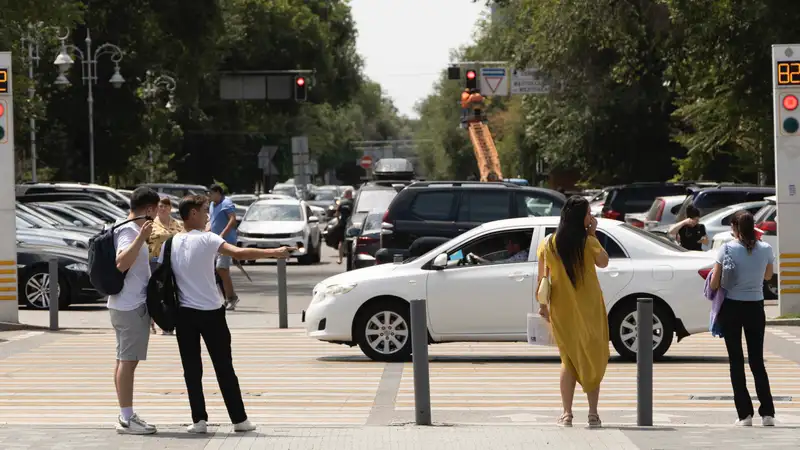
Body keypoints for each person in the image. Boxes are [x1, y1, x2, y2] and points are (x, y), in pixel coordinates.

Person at [162, 195, 294, 434]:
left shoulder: (170, 243)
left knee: (192, 369)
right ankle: (239, 420)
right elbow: (239, 253)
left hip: (183, 314)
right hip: (211, 313)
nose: (207, 215)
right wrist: (276, 251)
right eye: (204, 211)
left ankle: (198, 421)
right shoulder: (209, 239)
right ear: (192, 214)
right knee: (224, 367)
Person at [536, 196, 610, 428]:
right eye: (589, 213)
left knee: (568, 360)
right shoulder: (588, 242)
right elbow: (604, 262)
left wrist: (542, 307)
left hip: (561, 309)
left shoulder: (548, 243)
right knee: (592, 356)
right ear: (581, 218)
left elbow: (541, 278)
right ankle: (593, 414)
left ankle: (567, 414)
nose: (591, 217)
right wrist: (593, 233)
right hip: (589, 309)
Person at [709, 210, 775, 427]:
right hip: (755, 307)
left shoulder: (726, 249)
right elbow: (767, 276)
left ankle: (744, 415)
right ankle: (767, 413)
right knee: (757, 361)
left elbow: (715, 284)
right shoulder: (765, 248)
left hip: (732, 309)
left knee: (736, 361)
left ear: (736, 228)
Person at [109, 186, 161, 435]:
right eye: (155, 210)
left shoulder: (124, 226)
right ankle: (127, 418)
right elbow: (121, 263)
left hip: (127, 305)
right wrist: (141, 238)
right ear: (149, 209)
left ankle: (125, 414)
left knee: (124, 361)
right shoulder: (129, 231)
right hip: (130, 306)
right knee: (127, 362)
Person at [147, 196, 184, 334]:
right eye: (160, 206)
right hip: (155, 262)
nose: (162, 209)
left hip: (173, 261)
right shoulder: (151, 224)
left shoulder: (177, 224)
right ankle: (151, 323)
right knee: (154, 293)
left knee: (169, 293)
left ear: (170, 208)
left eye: (165, 206)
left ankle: (167, 323)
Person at [208, 184, 239, 310]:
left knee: (221, 268)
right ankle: (228, 297)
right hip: (215, 242)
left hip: (226, 241)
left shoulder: (226, 203)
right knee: (219, 271)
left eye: (211, 193)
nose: (209, 196)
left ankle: (231, 297)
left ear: (218, 193)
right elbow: (212, 220)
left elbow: (232, 220)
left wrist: (222, 234)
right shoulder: (212, 205)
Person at [335, 189, 354, 265]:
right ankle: (352, 259)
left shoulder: (341, 203)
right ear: (351, 194)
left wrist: (339, 220)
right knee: (352, 242)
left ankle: (340, 259)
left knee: (341, 242)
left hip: (342, 224)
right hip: (351, 225)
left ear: (346, 194)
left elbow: (336, 214)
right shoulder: (353, 203)